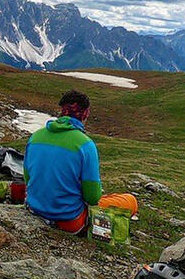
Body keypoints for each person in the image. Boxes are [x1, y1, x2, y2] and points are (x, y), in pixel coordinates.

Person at [24, 89, 137, 234]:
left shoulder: (35, 137)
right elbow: (92, 197)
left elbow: (28, 179)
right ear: (86, 113)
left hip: (34, 209)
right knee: (130, 201)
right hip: (69, 221)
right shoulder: (85, 145)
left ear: (61, 110)